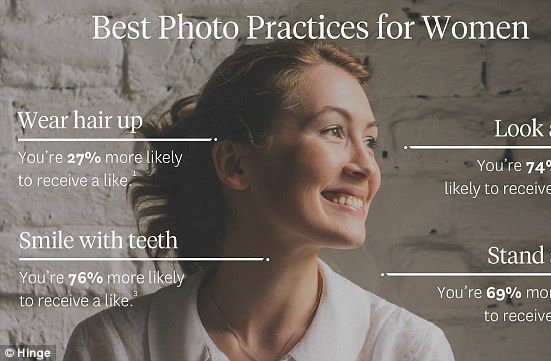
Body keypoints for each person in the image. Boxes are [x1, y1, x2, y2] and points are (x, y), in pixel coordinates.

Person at [63, 39, 454, 361]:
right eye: (334, 131)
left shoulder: (409, 350)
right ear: (235, 163)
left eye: (369, 140)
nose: (367, 166)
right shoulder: (110, 348)